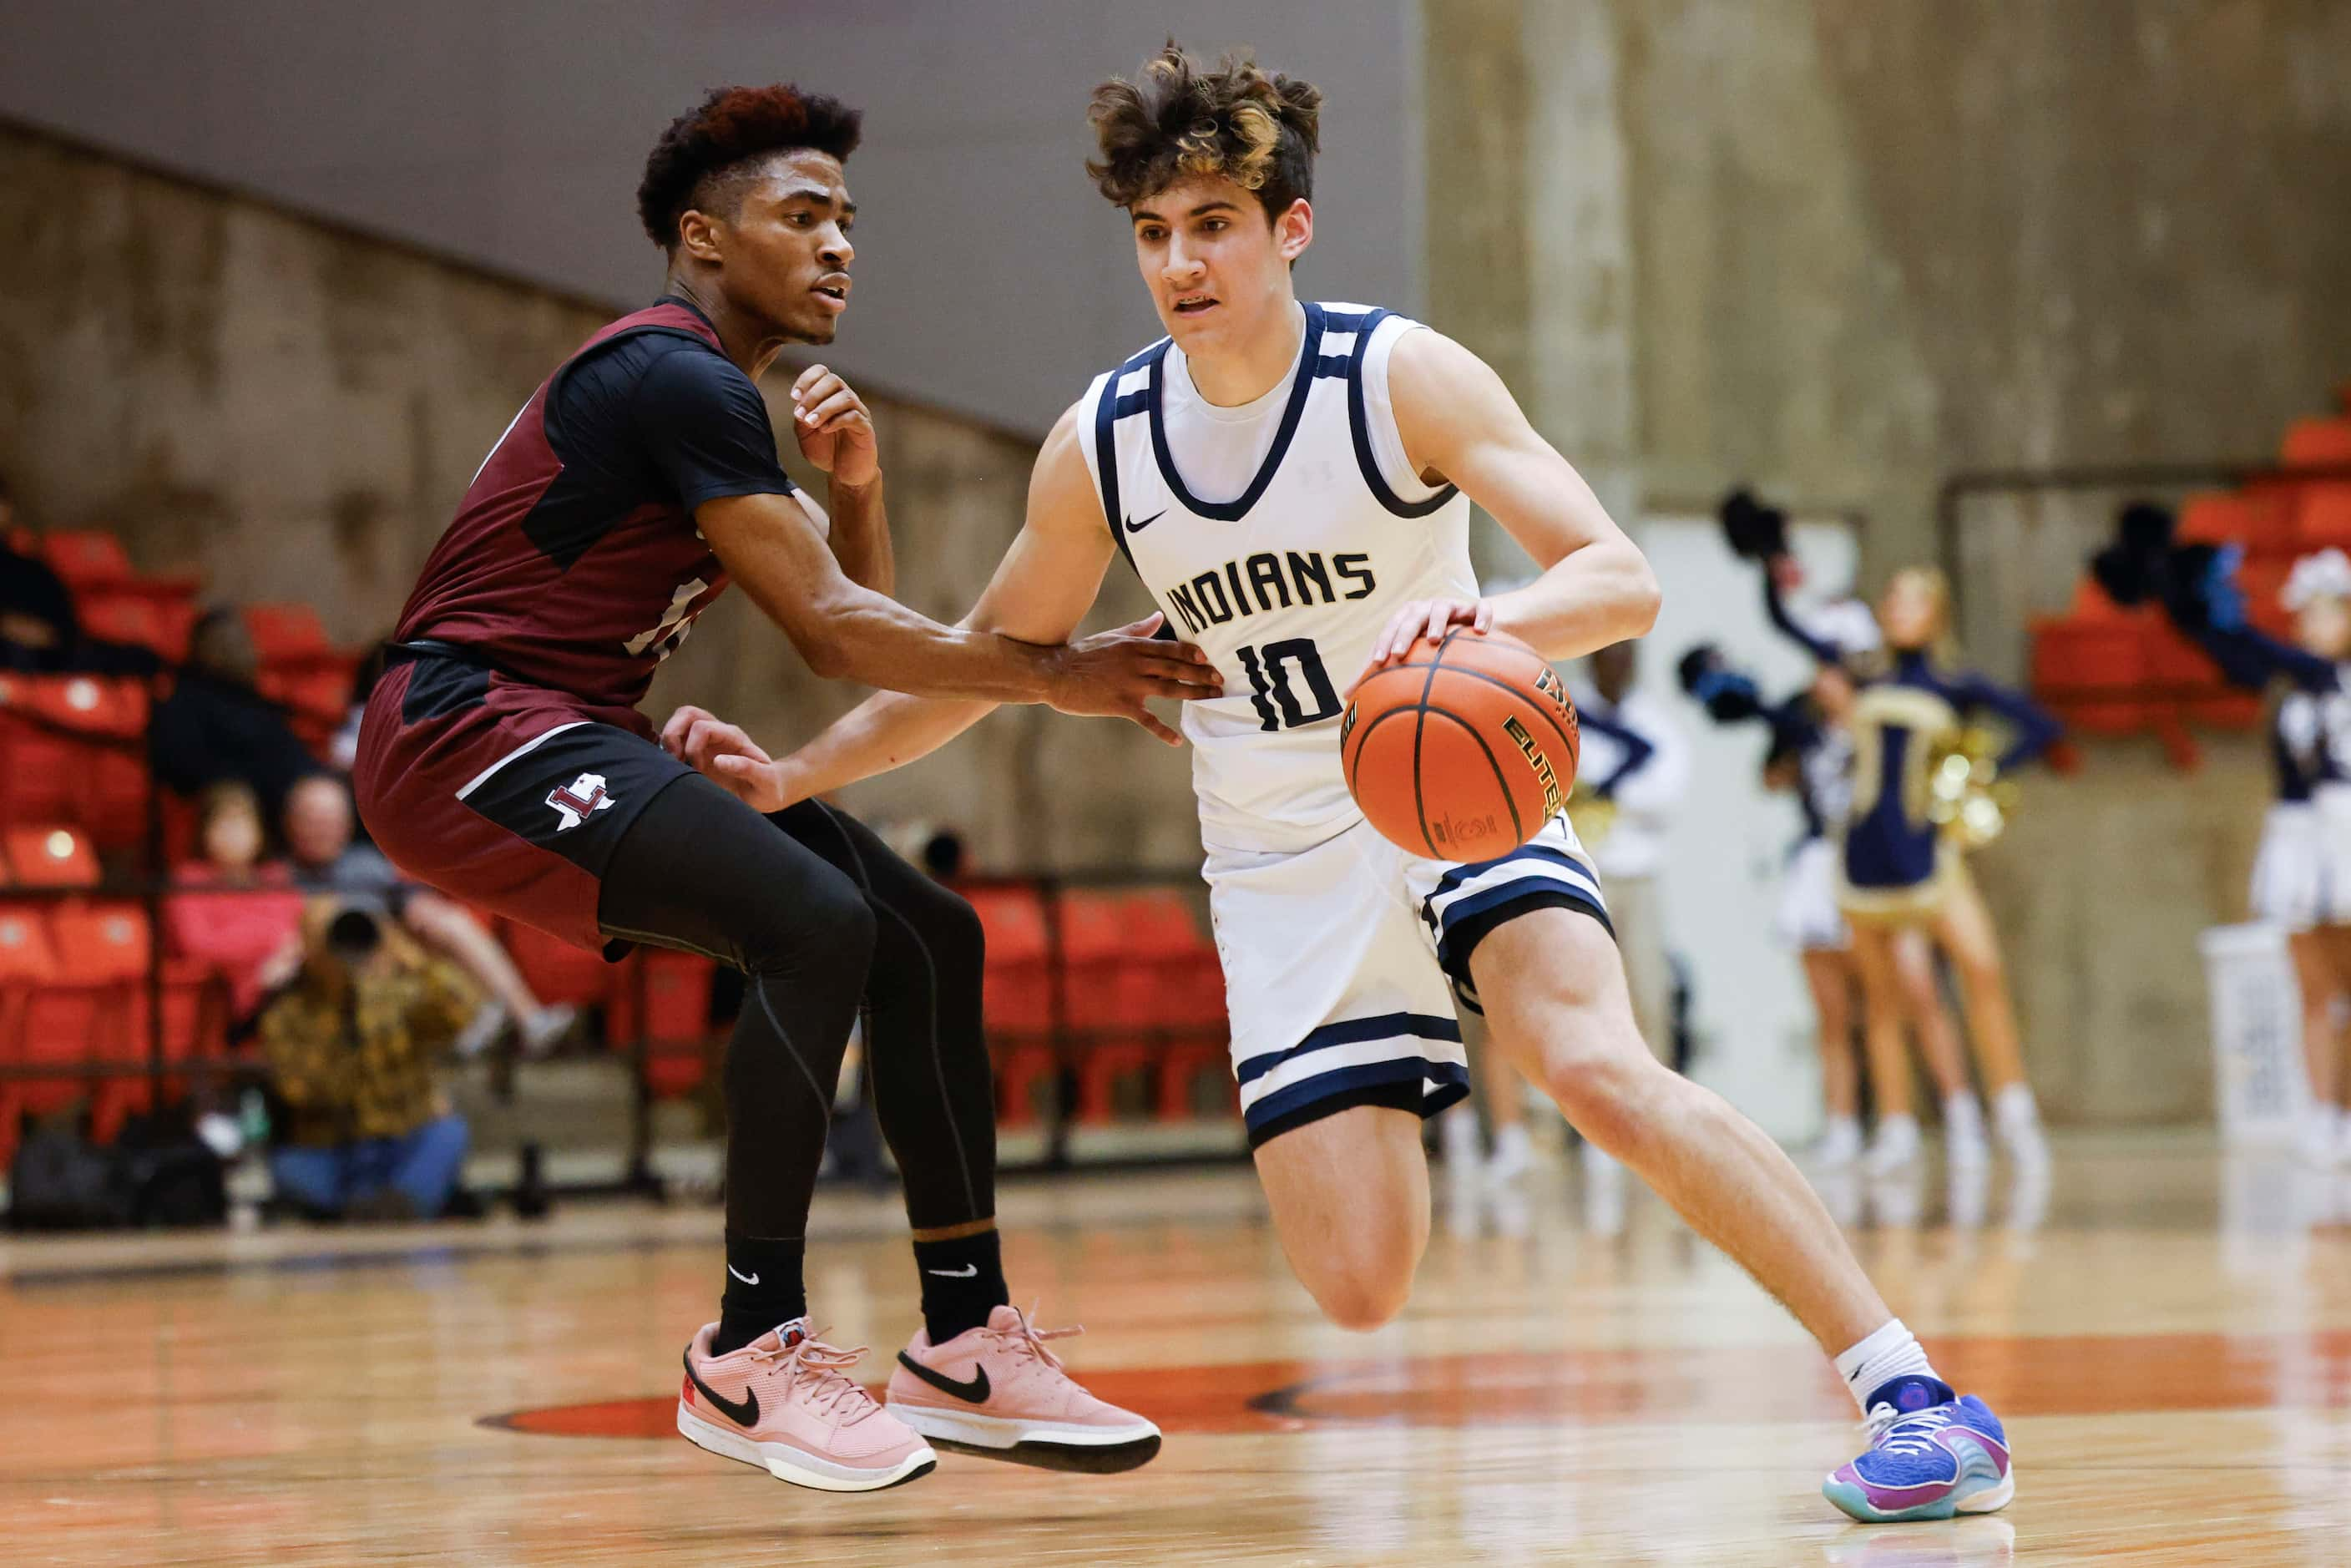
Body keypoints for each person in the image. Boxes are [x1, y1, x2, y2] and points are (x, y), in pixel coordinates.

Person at [695, 46, 2014, 1523]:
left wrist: (1485, 622)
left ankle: (1914, 1391)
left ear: (1289, 228)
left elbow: (1617, 578)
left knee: (1591, 1062)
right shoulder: (1107, 444)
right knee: (1361, 1283)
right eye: (1152, 232)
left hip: (1459, 788)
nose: (1180, 262)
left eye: (1212, 224)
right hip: (1278, 857)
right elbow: (984, 661)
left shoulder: (1398, 378)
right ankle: (1407, 1084)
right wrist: (797, 770)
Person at [351, 83, 1184, 1492]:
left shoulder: (713, 406)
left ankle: (966, 1332)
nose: (839, 243)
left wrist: (854, 488)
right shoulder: (669, 372)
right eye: (802, 216)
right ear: (703, 237)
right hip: (462, 732)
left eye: (848, 219)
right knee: (812, 922)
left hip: (564, 726)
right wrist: (1060, 672)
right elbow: (829, 633)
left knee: (929, 932)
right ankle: (748, 1343)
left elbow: (855, 606)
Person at [1765, 556, 2059, 1175]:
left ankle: (2011, 1111)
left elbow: (2041, 727)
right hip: (1866, 855)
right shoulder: (1863, 678)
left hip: (1929, 852)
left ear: (1936, 615)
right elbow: (1786, 627)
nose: (1898, 609)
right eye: (1892, 598)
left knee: (1982, 971)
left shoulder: (1955, 686)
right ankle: (1895, 1126)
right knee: (1882, 1001)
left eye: (1912, 601)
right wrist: (1773, 574)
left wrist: (1978, 780)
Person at [2134, 542, 2351, 1164]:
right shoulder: (2286, 684)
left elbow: (2255, 645)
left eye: (2330, 614)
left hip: (2345, 835)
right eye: (2307, 616)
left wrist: (2225, 617)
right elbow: (2230, 652)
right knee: (2314, 987)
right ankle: (2322, 1115)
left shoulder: (2329, 678)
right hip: (2297, 837)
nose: (2316, 627)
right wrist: (2189, 607)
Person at [283, 775, 574, 1057]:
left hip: (390, 962)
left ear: (347, 823)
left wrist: (418, 918)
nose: (322, 828)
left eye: (331, 818)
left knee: (444, 919)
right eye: (313, 818)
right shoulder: (273, 880)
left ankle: (527, 1018)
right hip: (324, 977)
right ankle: (475, 1012)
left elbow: (411, 904)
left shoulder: (368, 864)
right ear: (290, 822)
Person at [256, 900, 476, 1221]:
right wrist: (339, 1007)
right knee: (289, 1168)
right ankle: (368, 1206)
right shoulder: (287, 1010)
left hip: (401, 1140)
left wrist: (412, 956)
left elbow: (462, 1014)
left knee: (448, 1134)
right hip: (330, 1148)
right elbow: (299, 1090)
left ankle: (400, 1204)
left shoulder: (395, 991)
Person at [149, 608, 326, 822]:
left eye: (240, 640)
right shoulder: (185, 696)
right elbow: (182, 766)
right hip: (249, 797)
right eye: (222, 641)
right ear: (201, 648)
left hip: (302, 785)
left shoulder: (255, 697)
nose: (236, 649)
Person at [166, 781, 306, 1025]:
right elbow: (197, 945)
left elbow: (301, 934)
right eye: (223, 823)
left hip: (287, 981)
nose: (233, 834)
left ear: (259, 831)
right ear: (205, 831)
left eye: (242, 823)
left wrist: (279, 962)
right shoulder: (189, 879)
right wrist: (269, 941)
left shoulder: (276, 876)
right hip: (221, 1001)